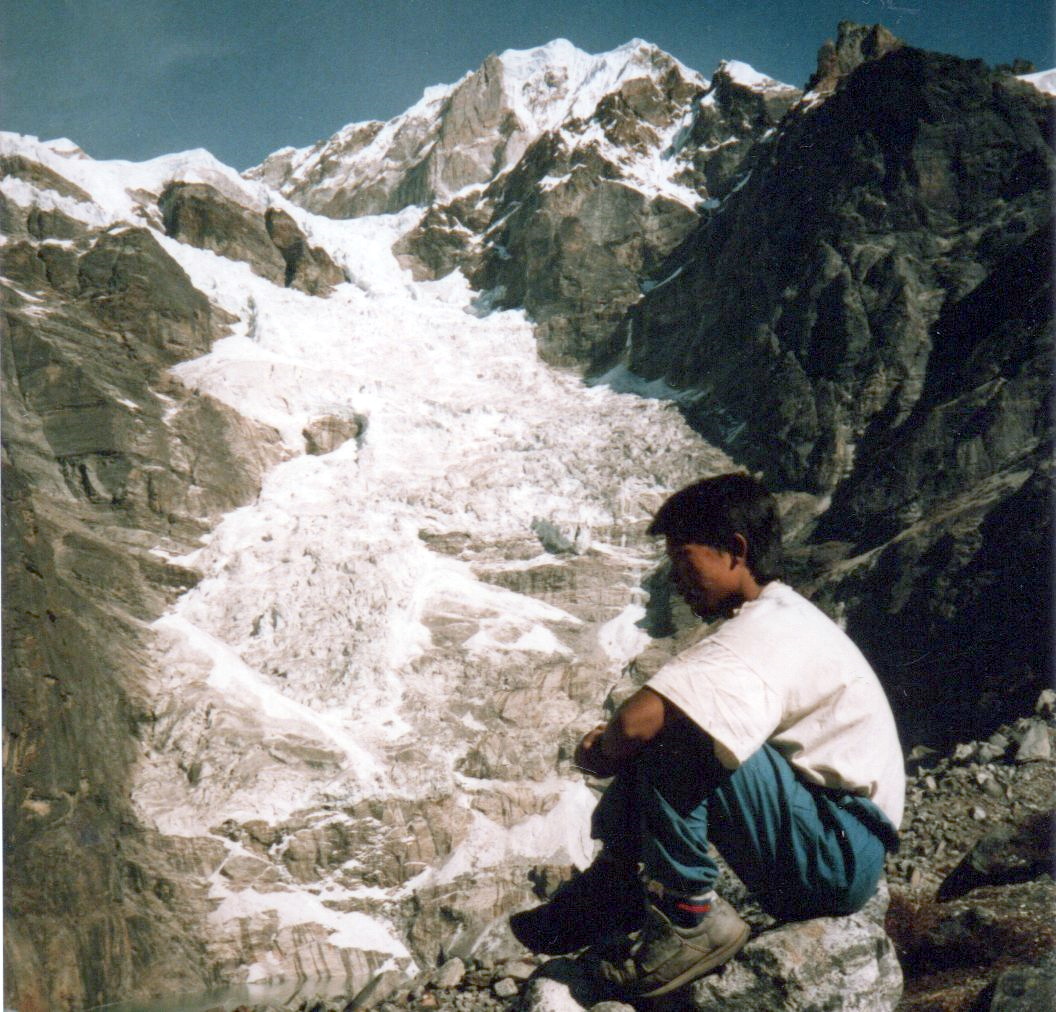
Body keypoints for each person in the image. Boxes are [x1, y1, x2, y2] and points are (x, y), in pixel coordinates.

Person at [510, 473, 905, 998]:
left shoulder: (763, 631)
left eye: (684, 558)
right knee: (684, 721)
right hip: (834, 846)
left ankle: (687, 917)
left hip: (836, 853)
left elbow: (635, 722)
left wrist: (604, 752)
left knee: (682, 730)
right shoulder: (783, 618)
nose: (676, 578)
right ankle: (617, 885)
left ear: (735, 551)